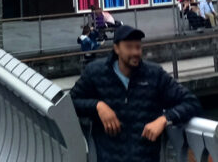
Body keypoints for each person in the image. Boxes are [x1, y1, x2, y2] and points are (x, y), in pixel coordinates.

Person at [70, 24, 200, 162]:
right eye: (129, 47)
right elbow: (71, 102)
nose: (135, 52)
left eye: (138, 47)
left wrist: (164, 119)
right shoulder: (96, 72)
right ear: (116, 48)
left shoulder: (154, 75)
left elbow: (191, 102)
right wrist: (98, 106)